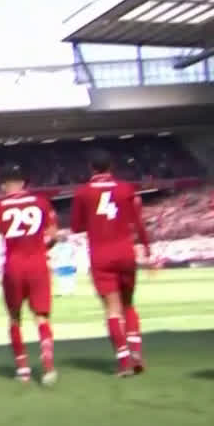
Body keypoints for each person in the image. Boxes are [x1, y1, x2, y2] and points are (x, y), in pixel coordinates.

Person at [71, 149, 151, 377]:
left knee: (112, 309)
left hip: (101, 255)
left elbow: (76, 227)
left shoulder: (83, 192)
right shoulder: (126, 189)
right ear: (111, 167)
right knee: (129, 304)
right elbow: (138, 222)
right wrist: (146, 247)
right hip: (125, 252)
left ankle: (124, 362)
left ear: (91, 168)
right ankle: (136, 352)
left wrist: (95, 222)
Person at [0, 166, 58, 385]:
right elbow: (53, 235)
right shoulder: (41, 202)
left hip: (14, 266)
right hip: (38, 264)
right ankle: (48, 365)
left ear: (4, 185)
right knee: (41, 317)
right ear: (23, 183)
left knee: (14, 317)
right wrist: (43, 248)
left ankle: (23, 369)